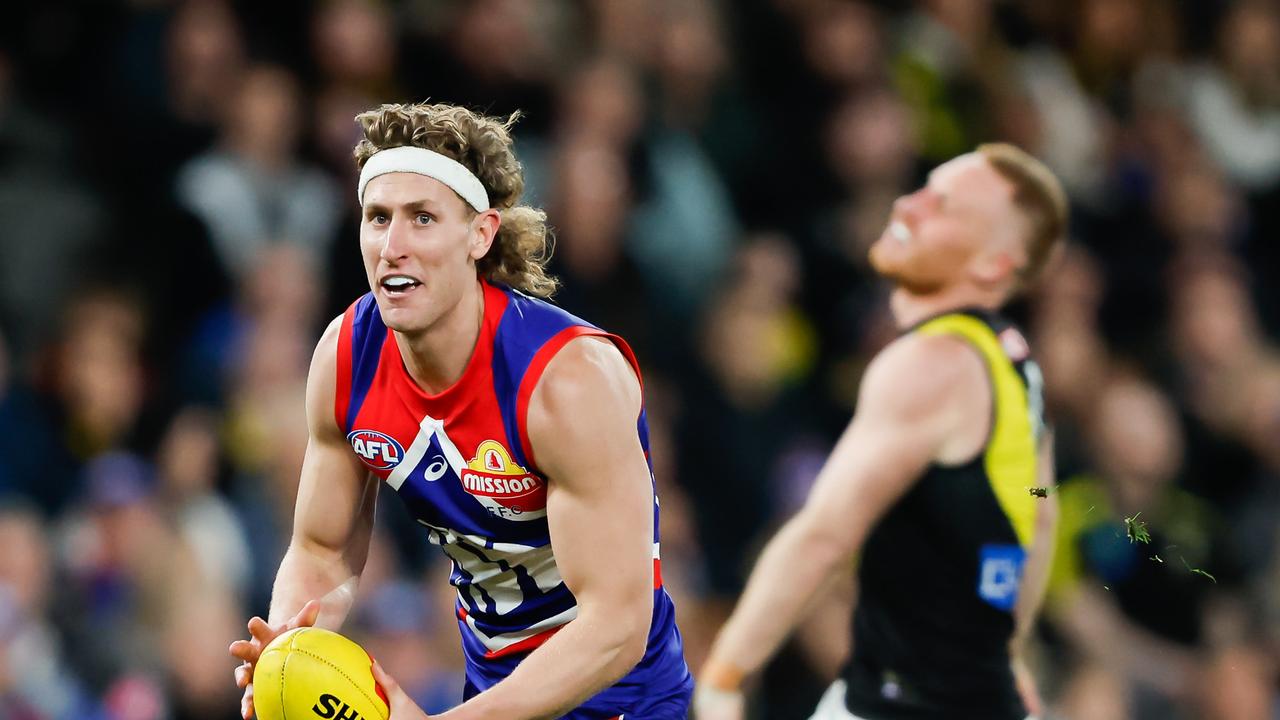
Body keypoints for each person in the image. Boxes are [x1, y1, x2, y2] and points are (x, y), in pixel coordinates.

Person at [229, 101, 693, 720]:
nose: (393, 246)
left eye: (422, 218)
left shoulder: (565, 381)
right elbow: (322, 549)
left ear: (481, 234)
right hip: (491, 691)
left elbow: (616, 627)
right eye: (377, 218)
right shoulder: (346, 356)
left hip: (619, 697)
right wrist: (288, 648)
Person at [695, 143, 1067, 720]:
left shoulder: (931, 364)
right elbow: (1039, 509)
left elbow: (823, 536)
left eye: (943, 206)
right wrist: (1009, 649)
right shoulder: (1016, 364)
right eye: (924, 187)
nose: (909, 205)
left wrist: (726, 672)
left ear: (993, 264)